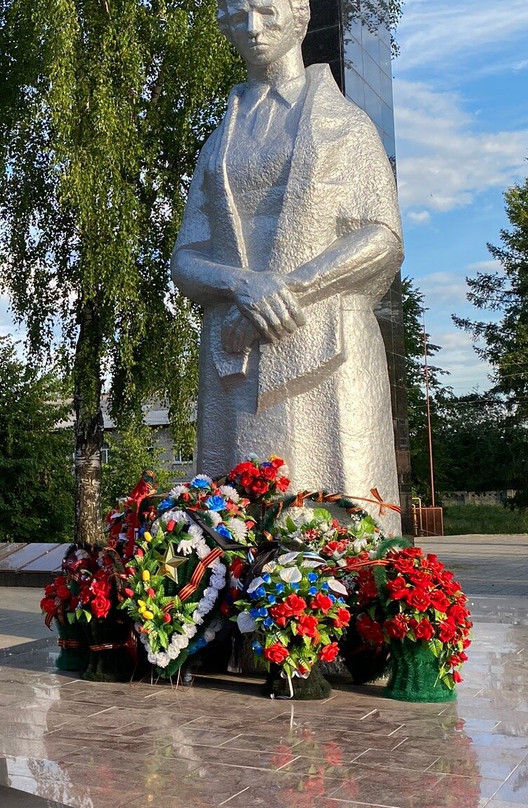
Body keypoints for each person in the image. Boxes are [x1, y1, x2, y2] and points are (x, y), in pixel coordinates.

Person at [170, 0, 402, 535]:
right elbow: (185, 259)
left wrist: (288, 289)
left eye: (267, 12)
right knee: (237, 525)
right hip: (236, 360)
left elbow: (382, 236)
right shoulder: (217, 144)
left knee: (342, 518)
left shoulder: (346, 125)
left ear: (299, 17)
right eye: (238, 16)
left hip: (328, 345)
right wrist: (242, 285)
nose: (252, 28)